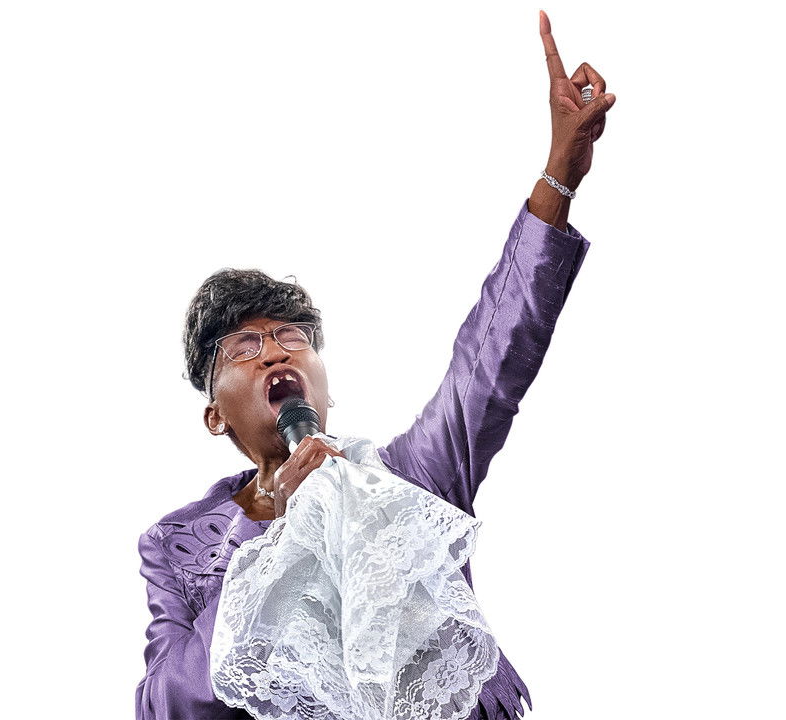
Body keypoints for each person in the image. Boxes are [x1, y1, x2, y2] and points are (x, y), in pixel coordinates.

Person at [136, 10, 615, 720]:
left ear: (323, 386)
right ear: (215, 414)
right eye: (244, 347)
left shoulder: (407, 483)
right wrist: (279, 540)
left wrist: (559, 177)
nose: (276, 350)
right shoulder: (177, 544)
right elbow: (168, 703)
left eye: (292, 337)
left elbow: (490, 357)